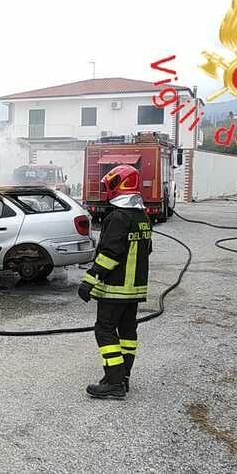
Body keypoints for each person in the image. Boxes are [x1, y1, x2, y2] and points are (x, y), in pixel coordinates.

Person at [78, 165, 152, 400]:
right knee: (128, 332)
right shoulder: (142, 217)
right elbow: (146, 251)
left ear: (118, 186)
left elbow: (110, 253)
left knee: (105, 329)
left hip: (115, 289)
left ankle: (113, 381)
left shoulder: (118, 217)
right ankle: (124, 377)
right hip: (134, 290)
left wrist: (90, 280)